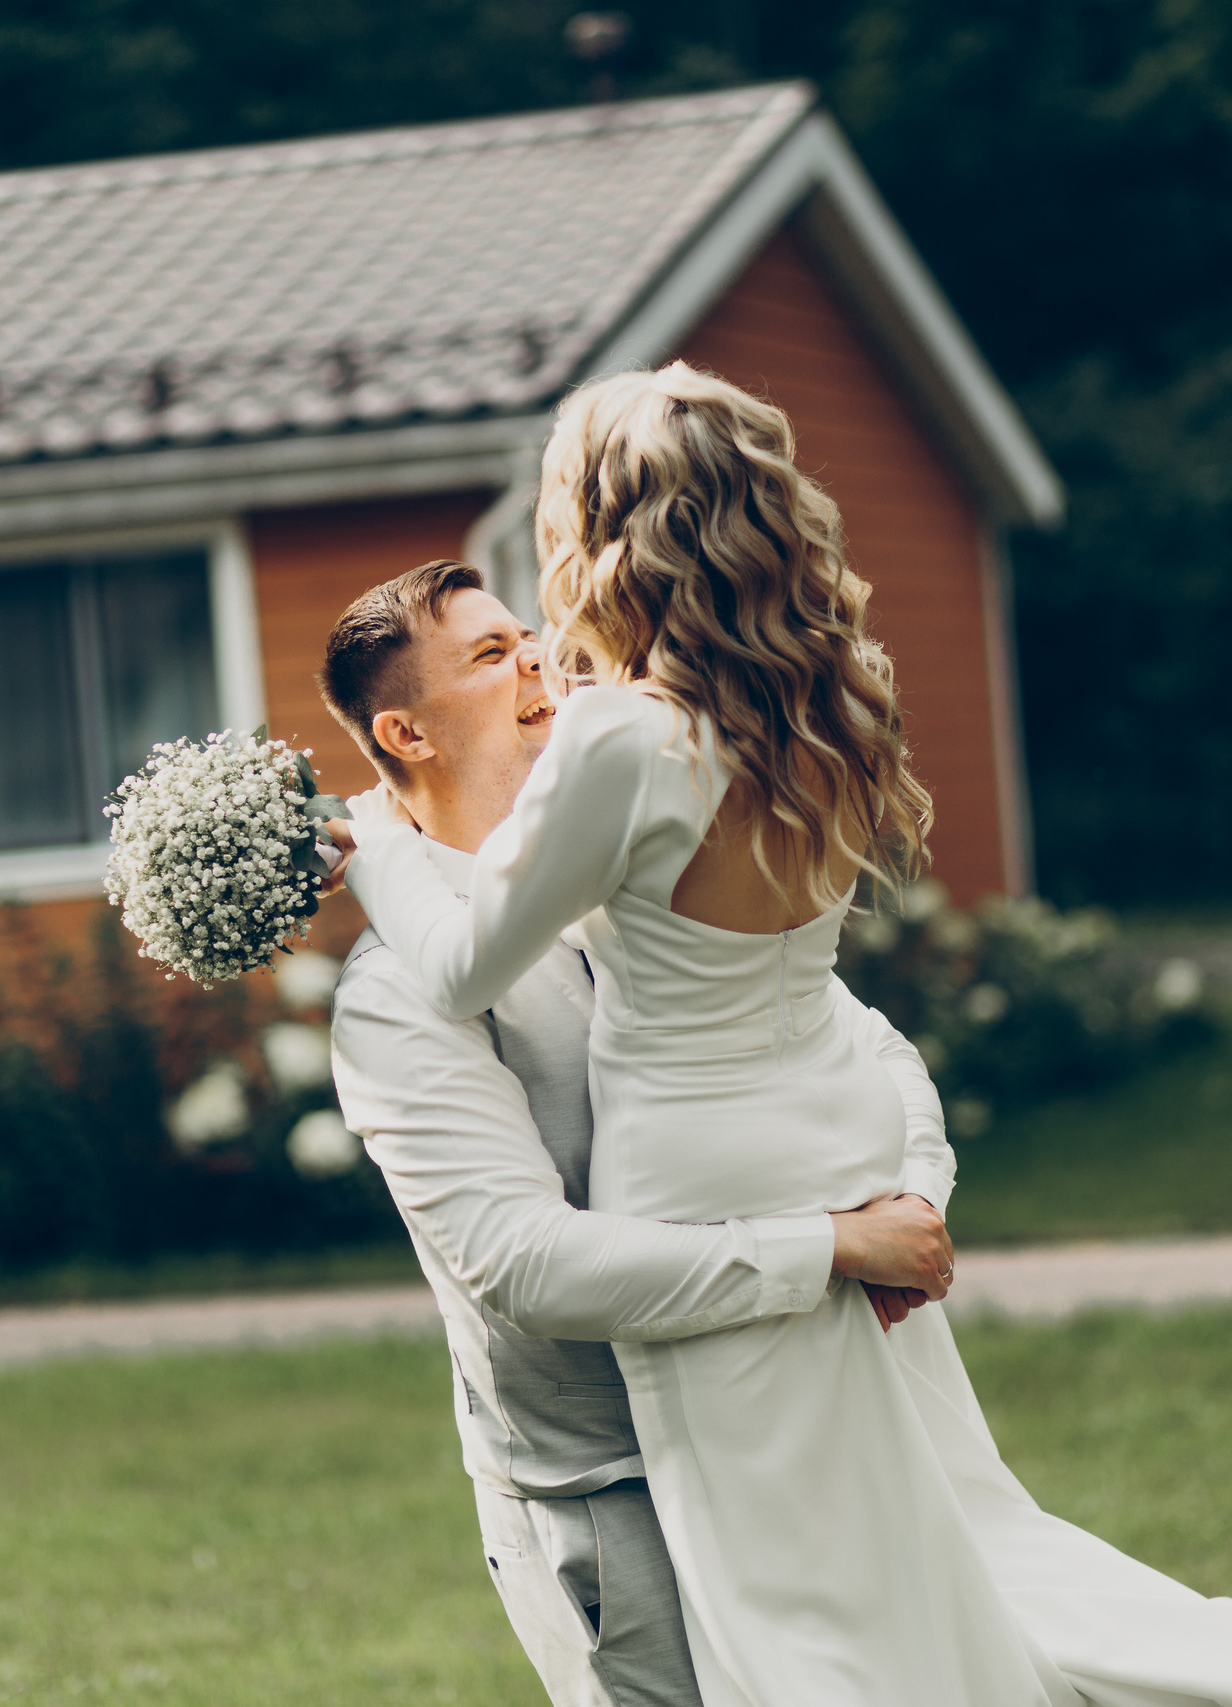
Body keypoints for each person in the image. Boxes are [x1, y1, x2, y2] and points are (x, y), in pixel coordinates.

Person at [330, 363, 1232, 1706]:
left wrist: (370, 838)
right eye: (494, 653)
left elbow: (464, 955)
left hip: (708, 1180)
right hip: (830, 1156)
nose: (534, 648)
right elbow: (823, 1015)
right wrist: (894, 1203)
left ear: (606, 532)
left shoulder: (616, 747)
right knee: (956, 1565)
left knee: (825, 1634)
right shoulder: (810, 709)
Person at [319, 558, 958, 1707]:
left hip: (799, 1431)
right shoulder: (398, 998)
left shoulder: (640, 879)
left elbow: (864, 1049)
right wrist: (832, 1248)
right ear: (404, 734)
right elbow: (526, 1265)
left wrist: (911, 1202)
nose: (542, 662)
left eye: (532, 635)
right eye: (490, 654)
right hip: (616, 1503)